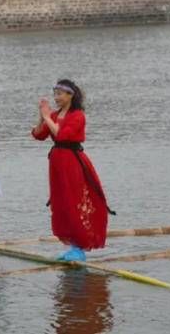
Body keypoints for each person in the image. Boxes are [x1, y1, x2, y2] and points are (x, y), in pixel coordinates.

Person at [32, 79, 112, 262]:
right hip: (57, 163)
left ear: (70, 95)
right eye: (55, 94)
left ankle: (79, 247)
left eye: (60, 94)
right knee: (61, 203)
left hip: (72, 162)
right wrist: (42, 117)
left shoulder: (78, 116)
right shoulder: (54, 115)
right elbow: (39, 134)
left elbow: (62, 135)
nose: (57, 98)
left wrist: (47, 117)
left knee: (74, 200)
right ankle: (70, 245)